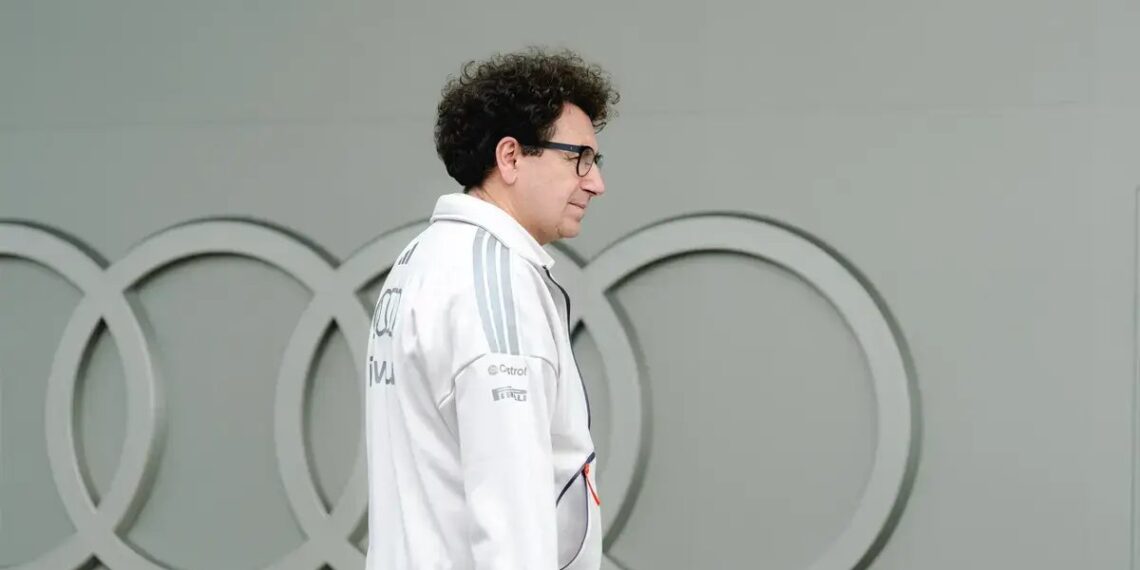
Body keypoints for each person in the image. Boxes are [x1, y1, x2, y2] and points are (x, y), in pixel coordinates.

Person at [364, 47, 619, 569]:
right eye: (579, 158)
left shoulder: (422, 259)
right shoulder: (494, 281)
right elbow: (512, 521)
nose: (595, 183)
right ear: (510, 157)